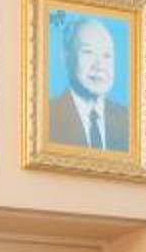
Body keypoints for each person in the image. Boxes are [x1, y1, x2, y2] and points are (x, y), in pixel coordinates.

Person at [45, 16, 131, 154]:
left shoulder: (128, 121)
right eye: (88, 52)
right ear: (66, 57)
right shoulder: (48, 116)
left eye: (107, 55)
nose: (99, 66)